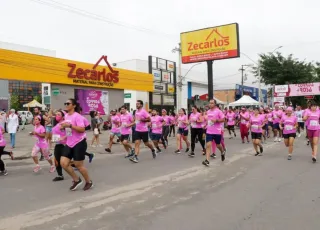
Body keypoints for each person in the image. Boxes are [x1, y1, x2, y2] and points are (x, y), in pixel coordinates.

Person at [60, 99, 93, 191]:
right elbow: (68, 130)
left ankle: (89, 182)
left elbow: (82, 129)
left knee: (79, 165)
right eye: (65, 103)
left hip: (79, 142)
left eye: (68, 103)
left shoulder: (77, 116)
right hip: (69, 142)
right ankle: (76, 179)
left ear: (74, 105)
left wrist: (69, 126)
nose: (66, 105)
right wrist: (63, 128)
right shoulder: (66, 115)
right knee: (63, 163)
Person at [203, 99, 226, 166]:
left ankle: (222, 151)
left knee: (218, 145)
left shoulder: (218, 111)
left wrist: (216, 120)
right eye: (210, 103)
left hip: (217, 132)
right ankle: (207, 160)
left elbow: (223, 119)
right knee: (208, 145)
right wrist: (206, 124)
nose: (210, 104)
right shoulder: (208, 111)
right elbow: (208, 120)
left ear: (215, 104)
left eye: (212, 103)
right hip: (209, 131)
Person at [51, 110, 67, 181]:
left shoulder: (65, 123)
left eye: (59, 114)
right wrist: (53, 139)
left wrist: (63, 138)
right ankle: (60, 175)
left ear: (63, 117)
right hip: (58, 144)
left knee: (65, 162)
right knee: (56, 161)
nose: (57, 116)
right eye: (56, 114)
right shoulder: (57, 124)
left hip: (65, 145)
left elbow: (69, 133)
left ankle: (79, 167)